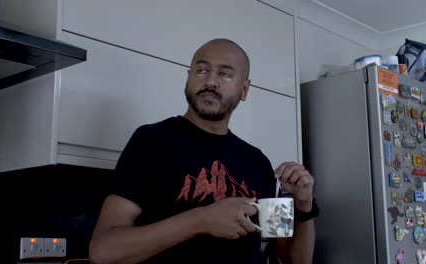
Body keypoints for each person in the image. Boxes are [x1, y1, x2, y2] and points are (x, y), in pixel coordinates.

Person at [88, 38, 317, 264]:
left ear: (244, 89)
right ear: (188, 78)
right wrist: (202, 219)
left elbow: (296, 259)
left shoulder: (258, 161)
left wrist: (303, 205)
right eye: (201, 70)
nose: (211, 81)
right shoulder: (151, 141)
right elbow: (104, 250)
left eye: (225, 74)